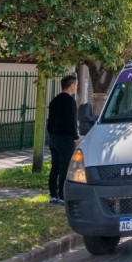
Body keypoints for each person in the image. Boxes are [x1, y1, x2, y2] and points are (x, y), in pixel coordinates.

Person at [47, 74, 80, 205]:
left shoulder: (54, 101)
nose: (76, 87)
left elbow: (49, 123)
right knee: (64, 168)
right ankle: (62, 197)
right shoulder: (70, 101)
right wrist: (76, 137)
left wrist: (52, 135)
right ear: (71, 85)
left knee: (54, 168)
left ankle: (53, 196)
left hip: (54, 138)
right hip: (66, 139)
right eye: (76, 85)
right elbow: (71, 121)